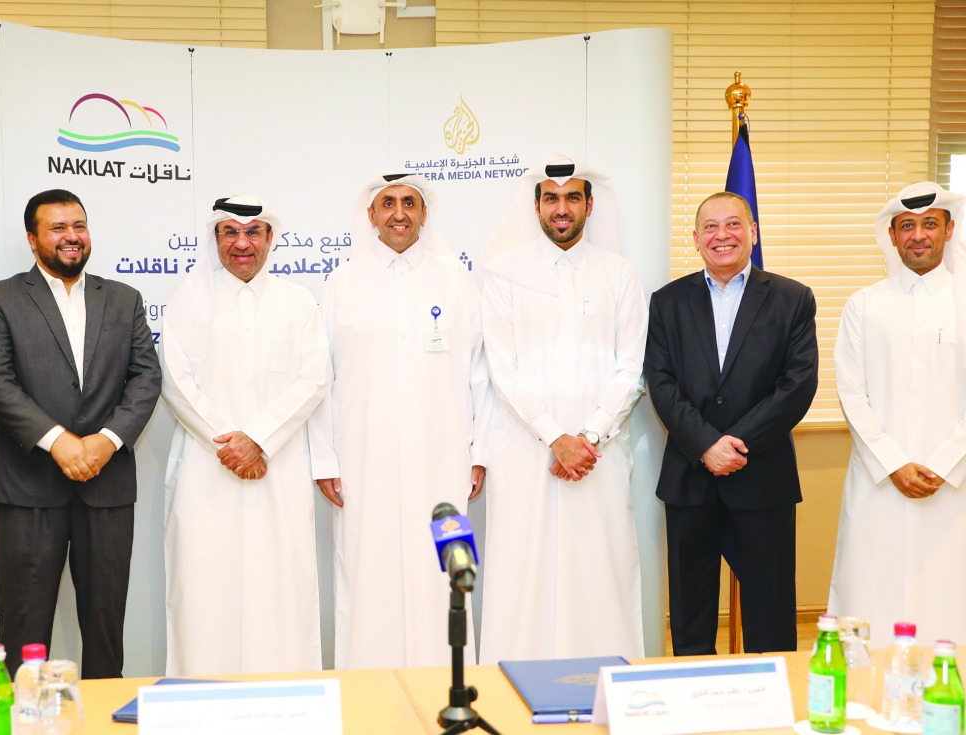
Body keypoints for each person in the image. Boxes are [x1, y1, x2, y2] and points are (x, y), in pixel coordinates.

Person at [0, 189, 161, 678]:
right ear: (33, 239)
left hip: (108, 483)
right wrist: (60, 441)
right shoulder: (1, 298)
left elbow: (146, 378)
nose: (71, 236)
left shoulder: (123, 298)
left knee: (104, 626)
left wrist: (105, 442)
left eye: (78, 225)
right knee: (23, 626)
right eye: (57, 228)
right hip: (28, 484)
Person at [308, 173, 490, 669]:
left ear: (424, 214)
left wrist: (479, 455)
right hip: (363, 459)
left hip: (444, 456)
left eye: (409, 203)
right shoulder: (343, 281)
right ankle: (368, 686)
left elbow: (480, 375)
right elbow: (322, 377)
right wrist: (324, 458)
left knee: (446, 568)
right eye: (387, 204)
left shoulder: (455, 279)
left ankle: (447, 677)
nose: (399, 213)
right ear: (371, 216)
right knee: (368, 570)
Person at [477, 154, 648, 663]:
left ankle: (603, 684)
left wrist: (588, 438)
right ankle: (512, 685)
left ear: (590, 205)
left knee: (599, 569)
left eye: (573, 197)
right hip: (526, 451)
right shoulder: (504, 274)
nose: (562, 208)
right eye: (551, 198)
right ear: (536, 207)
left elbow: (631, 367)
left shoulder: (619, 274)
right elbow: (502, 369)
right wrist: (556, 437)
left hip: (598, 456)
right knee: (523, 573)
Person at [158, 195, 330, 675]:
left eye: (253, 232)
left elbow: (314, 379)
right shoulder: (189, 299)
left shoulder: (298, 302)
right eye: (229, 232)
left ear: (270, 238)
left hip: (278, 469)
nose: (241, 243)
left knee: (281, 590)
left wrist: (258, 439)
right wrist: (232, 443)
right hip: (205, 469)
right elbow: (175, 381)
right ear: (215, 239)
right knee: (203, 590)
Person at [644, 191, 818, 655]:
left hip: (763, 478)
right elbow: (660, 383)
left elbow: (797, 386)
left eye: (734, 224)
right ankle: (695, 711)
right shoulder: (667, 302)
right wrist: (705, 445)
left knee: (771, 613)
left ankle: (773, 718)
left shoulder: (791, 298)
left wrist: (734, 443)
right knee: (690, 614)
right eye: (711, 227)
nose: (723, 235)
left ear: (753, 232)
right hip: (689, 477)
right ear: (697, 239)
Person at [828, 182, 966, 643]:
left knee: (949, 598)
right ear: (891, 236)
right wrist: (894, 464)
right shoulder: (864, 305)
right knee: (871, 597)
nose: (918, 235)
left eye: (930, 224)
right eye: (907, 226)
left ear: (949, 229)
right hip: (880, 483)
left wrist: (944, 464)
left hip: (953, 485)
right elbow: (851, 393)